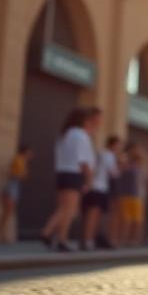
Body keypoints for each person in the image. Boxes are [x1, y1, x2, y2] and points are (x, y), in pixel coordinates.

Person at [40, 107, 100, 252]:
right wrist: (89, 180)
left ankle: (55, 236)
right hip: (73, 174)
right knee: (69, 209)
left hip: (62, 173)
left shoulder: (64, 135)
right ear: (83, 120)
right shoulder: (80, 135)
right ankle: (54, 235)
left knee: (63, 207)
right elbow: (83, 161)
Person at [81, 135, 120, 250]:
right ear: (113, 144)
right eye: (118, 145)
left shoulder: (100, 154)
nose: (119, 148)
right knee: (94, 216)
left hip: (92, 187)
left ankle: (87, 239)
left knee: (89, 215)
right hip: (100, 188)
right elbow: (114, 173)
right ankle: (89, 240)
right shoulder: (109, 156)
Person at [111, 142, 146, 247]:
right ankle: (121, 240)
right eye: (136, 149)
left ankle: (133, 240)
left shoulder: (139, 163)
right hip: (125, 194)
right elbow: (118, 171)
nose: (138, 151)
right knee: (126, 219)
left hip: (137, 195)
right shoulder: (124, 160)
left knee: (137, 220)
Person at [0, 145, 31, 243]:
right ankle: (2, 230)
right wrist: (21, 175)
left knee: (9, 211)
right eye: (29, 152)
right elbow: (14, 173)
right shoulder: (19, 160)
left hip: (14, 185)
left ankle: (2, 231)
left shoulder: (21, 161)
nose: (31, 155)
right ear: (25, 152)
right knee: (8, 210)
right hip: (12, 185)